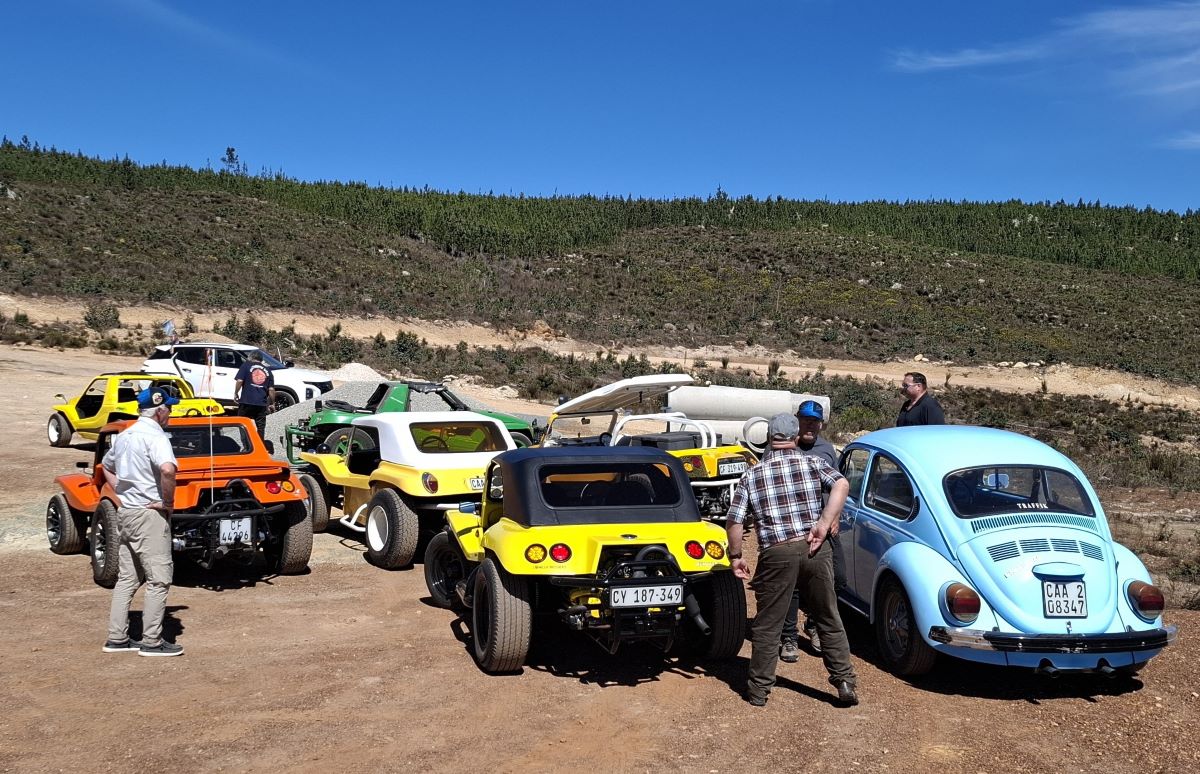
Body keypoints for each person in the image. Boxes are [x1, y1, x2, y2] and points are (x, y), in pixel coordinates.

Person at [727, 413, 858, 707]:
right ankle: (844, 681)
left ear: (769, 438)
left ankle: (759, 690)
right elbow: (841, 485)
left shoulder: (752, 475)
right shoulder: (812, 462)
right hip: (815, 548)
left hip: (777, 552)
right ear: (795, 436)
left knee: (768, 624)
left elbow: (734, 521)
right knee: (828, 616)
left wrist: (736, 556)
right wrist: (824, 522)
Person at [100, 387, 184, 657]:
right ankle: (152, 641)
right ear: (159, 411)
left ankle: (117, 638)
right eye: (169, 408)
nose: (170, 413)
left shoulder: (125, 435)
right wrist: (167, 503)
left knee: (127, 578)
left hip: (127, 512)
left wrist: (122, 491)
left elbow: (106, 466)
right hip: (149, 515)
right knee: (159, 579)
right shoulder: (156, 437)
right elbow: (168, 470)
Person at [780, 399, 841, 662]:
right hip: (792, 527)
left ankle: (814, 624)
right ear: (797, 420)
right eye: (805, 419)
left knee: (836, 579)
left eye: (814, 421)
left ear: (821, 424)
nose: (810, 425)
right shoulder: (784, 447)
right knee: (792, 584)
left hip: (823, 526)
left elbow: (838, 485)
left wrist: (835, 516)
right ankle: (788, 637)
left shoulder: (827, 450)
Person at [234, 350, 276, 441]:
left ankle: (246, 445)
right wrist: (272, 403)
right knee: (260, 427)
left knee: (242, 424)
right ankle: (259, 445)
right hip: (261, 403)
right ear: (261, 359)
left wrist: (236, 393)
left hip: (246, 401)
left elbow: (240, 380)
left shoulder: (246, 366)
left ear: (251, 357)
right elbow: (271, 389)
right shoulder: (268, 371)